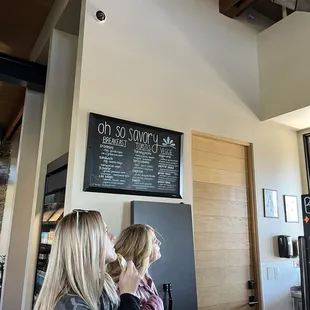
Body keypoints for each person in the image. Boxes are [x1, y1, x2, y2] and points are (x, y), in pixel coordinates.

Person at [34, 210, 141, 310]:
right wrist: (129, 296)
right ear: (87, 244)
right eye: (105, 231)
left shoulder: (104, 285)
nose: (113, 236)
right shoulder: (71, 304)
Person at [108, 224, 164, 310]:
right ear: (142, 248)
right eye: (155, 241)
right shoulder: (121, 285)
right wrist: (156, 303)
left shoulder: (146, 277)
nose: (159, 243)